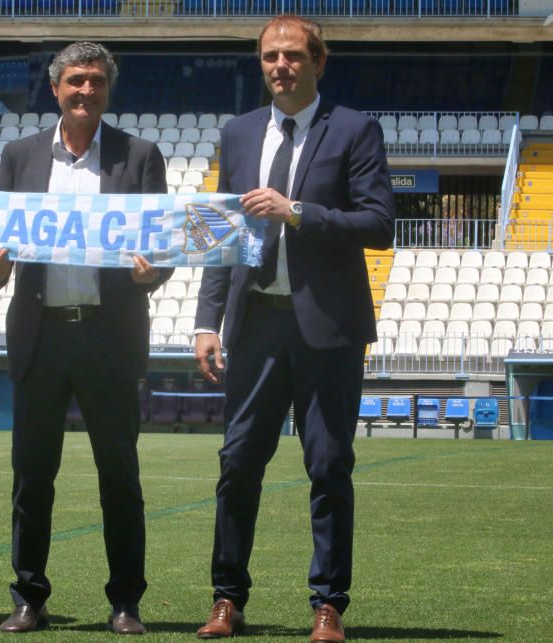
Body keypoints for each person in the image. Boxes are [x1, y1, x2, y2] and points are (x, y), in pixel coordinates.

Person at [192, 15, 396, 642]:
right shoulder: (240, 131)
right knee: (236, 465)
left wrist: (298, 212)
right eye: (269, 58)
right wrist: (206, 321)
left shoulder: (356, 129)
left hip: (328, 329)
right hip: (254, 327)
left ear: (318, 62)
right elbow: (224, 236)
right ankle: (227, 599)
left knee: (330, 466)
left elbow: (379, 224)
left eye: (292, 56)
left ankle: (328, 604)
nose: (279, 66)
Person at [0, 41, 170, 636]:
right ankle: (28, 598)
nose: (85, 91)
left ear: (107, 91)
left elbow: (161, 247)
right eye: (75, 81)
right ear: (55, 88)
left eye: (96, 82)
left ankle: (126, 602)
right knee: (31, 478)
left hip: (109, 338)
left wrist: (152, 273)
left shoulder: (139, 156)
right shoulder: (20, 155)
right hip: (40, 337)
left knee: (120, 477)